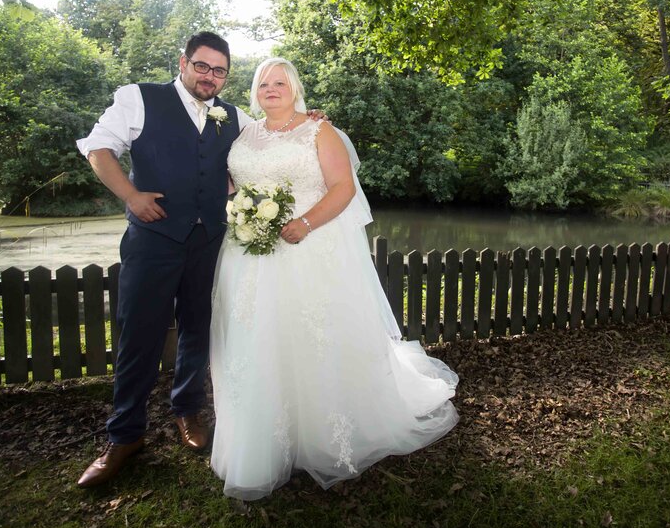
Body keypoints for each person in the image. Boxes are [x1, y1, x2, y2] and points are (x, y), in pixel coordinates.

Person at [209, 57, 459, 500]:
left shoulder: (319, 130)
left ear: (295, 88)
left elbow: (343, 188)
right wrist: (241, 212)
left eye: (280, 82)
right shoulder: (244, 130)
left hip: (307, 248)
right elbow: (235, 180)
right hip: (248, 255)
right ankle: (260, 440)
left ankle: (323, 434)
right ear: (254, 90)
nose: (271, 89)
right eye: (263, 83)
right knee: (257, 340)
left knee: (312, 338)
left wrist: (303, 224)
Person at [74, 32, 252, 487]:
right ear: (183, 62)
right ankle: (125, 435)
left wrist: (310, 120)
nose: (210, 76)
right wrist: (130, 195)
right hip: (153, 239)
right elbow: (98, 149)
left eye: (219, 71)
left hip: (210, 240)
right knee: (139, 334)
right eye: (202, 66)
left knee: (198, 329)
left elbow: (274, 138)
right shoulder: (139, 98)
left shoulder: (233, 117)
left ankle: (188, 411)